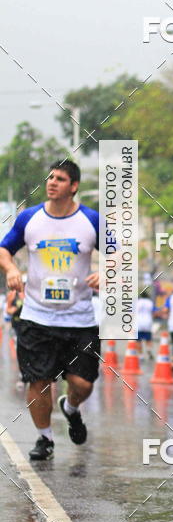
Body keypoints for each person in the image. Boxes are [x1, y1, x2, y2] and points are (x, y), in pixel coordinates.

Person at [0, 160, 100, 461]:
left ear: (74, 186)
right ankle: (45, 438)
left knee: (82, 383)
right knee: (39, 382)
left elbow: (118, 253)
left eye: (60, 179)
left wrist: (109, 271)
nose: (52, 182)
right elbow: (4, 249)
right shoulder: (30, 218)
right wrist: (10, 268)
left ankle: (71, 408)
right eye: (50, 177)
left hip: (79, 317)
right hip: (36, 316)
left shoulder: (91, 220)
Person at [136, 290, 155, 359]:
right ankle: (149, 350)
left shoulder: (138, 302)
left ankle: (141, 355)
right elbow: (153, 312)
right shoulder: (150, 303)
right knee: (148, 339)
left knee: (138, 340)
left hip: (139, 322)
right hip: (148, 322)